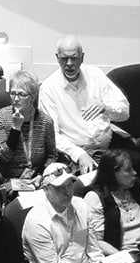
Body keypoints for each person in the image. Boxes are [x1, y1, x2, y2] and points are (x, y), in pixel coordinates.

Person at [38, 38, 131, 170]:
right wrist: (79, 154)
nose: (69, 63)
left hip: (106, 149)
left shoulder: (95, 75)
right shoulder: (49, 88)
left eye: (74, 58)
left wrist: (106, 108)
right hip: (73, 153)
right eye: (64, 58)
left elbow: (125, 112)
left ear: (82, 57)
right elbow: (51, 135)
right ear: (57, 58)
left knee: (132, 178)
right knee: (96, 182)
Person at [0, 70, 58, 196]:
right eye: (12, 93)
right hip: (7, 178)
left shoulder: (45, 121)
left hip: (35, 178)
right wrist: (15, 129)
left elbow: (51, 155)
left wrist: (42, 175)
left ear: (33, 96)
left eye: (21, 94)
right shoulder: (1, 116)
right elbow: (4, 157)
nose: (15, 99)